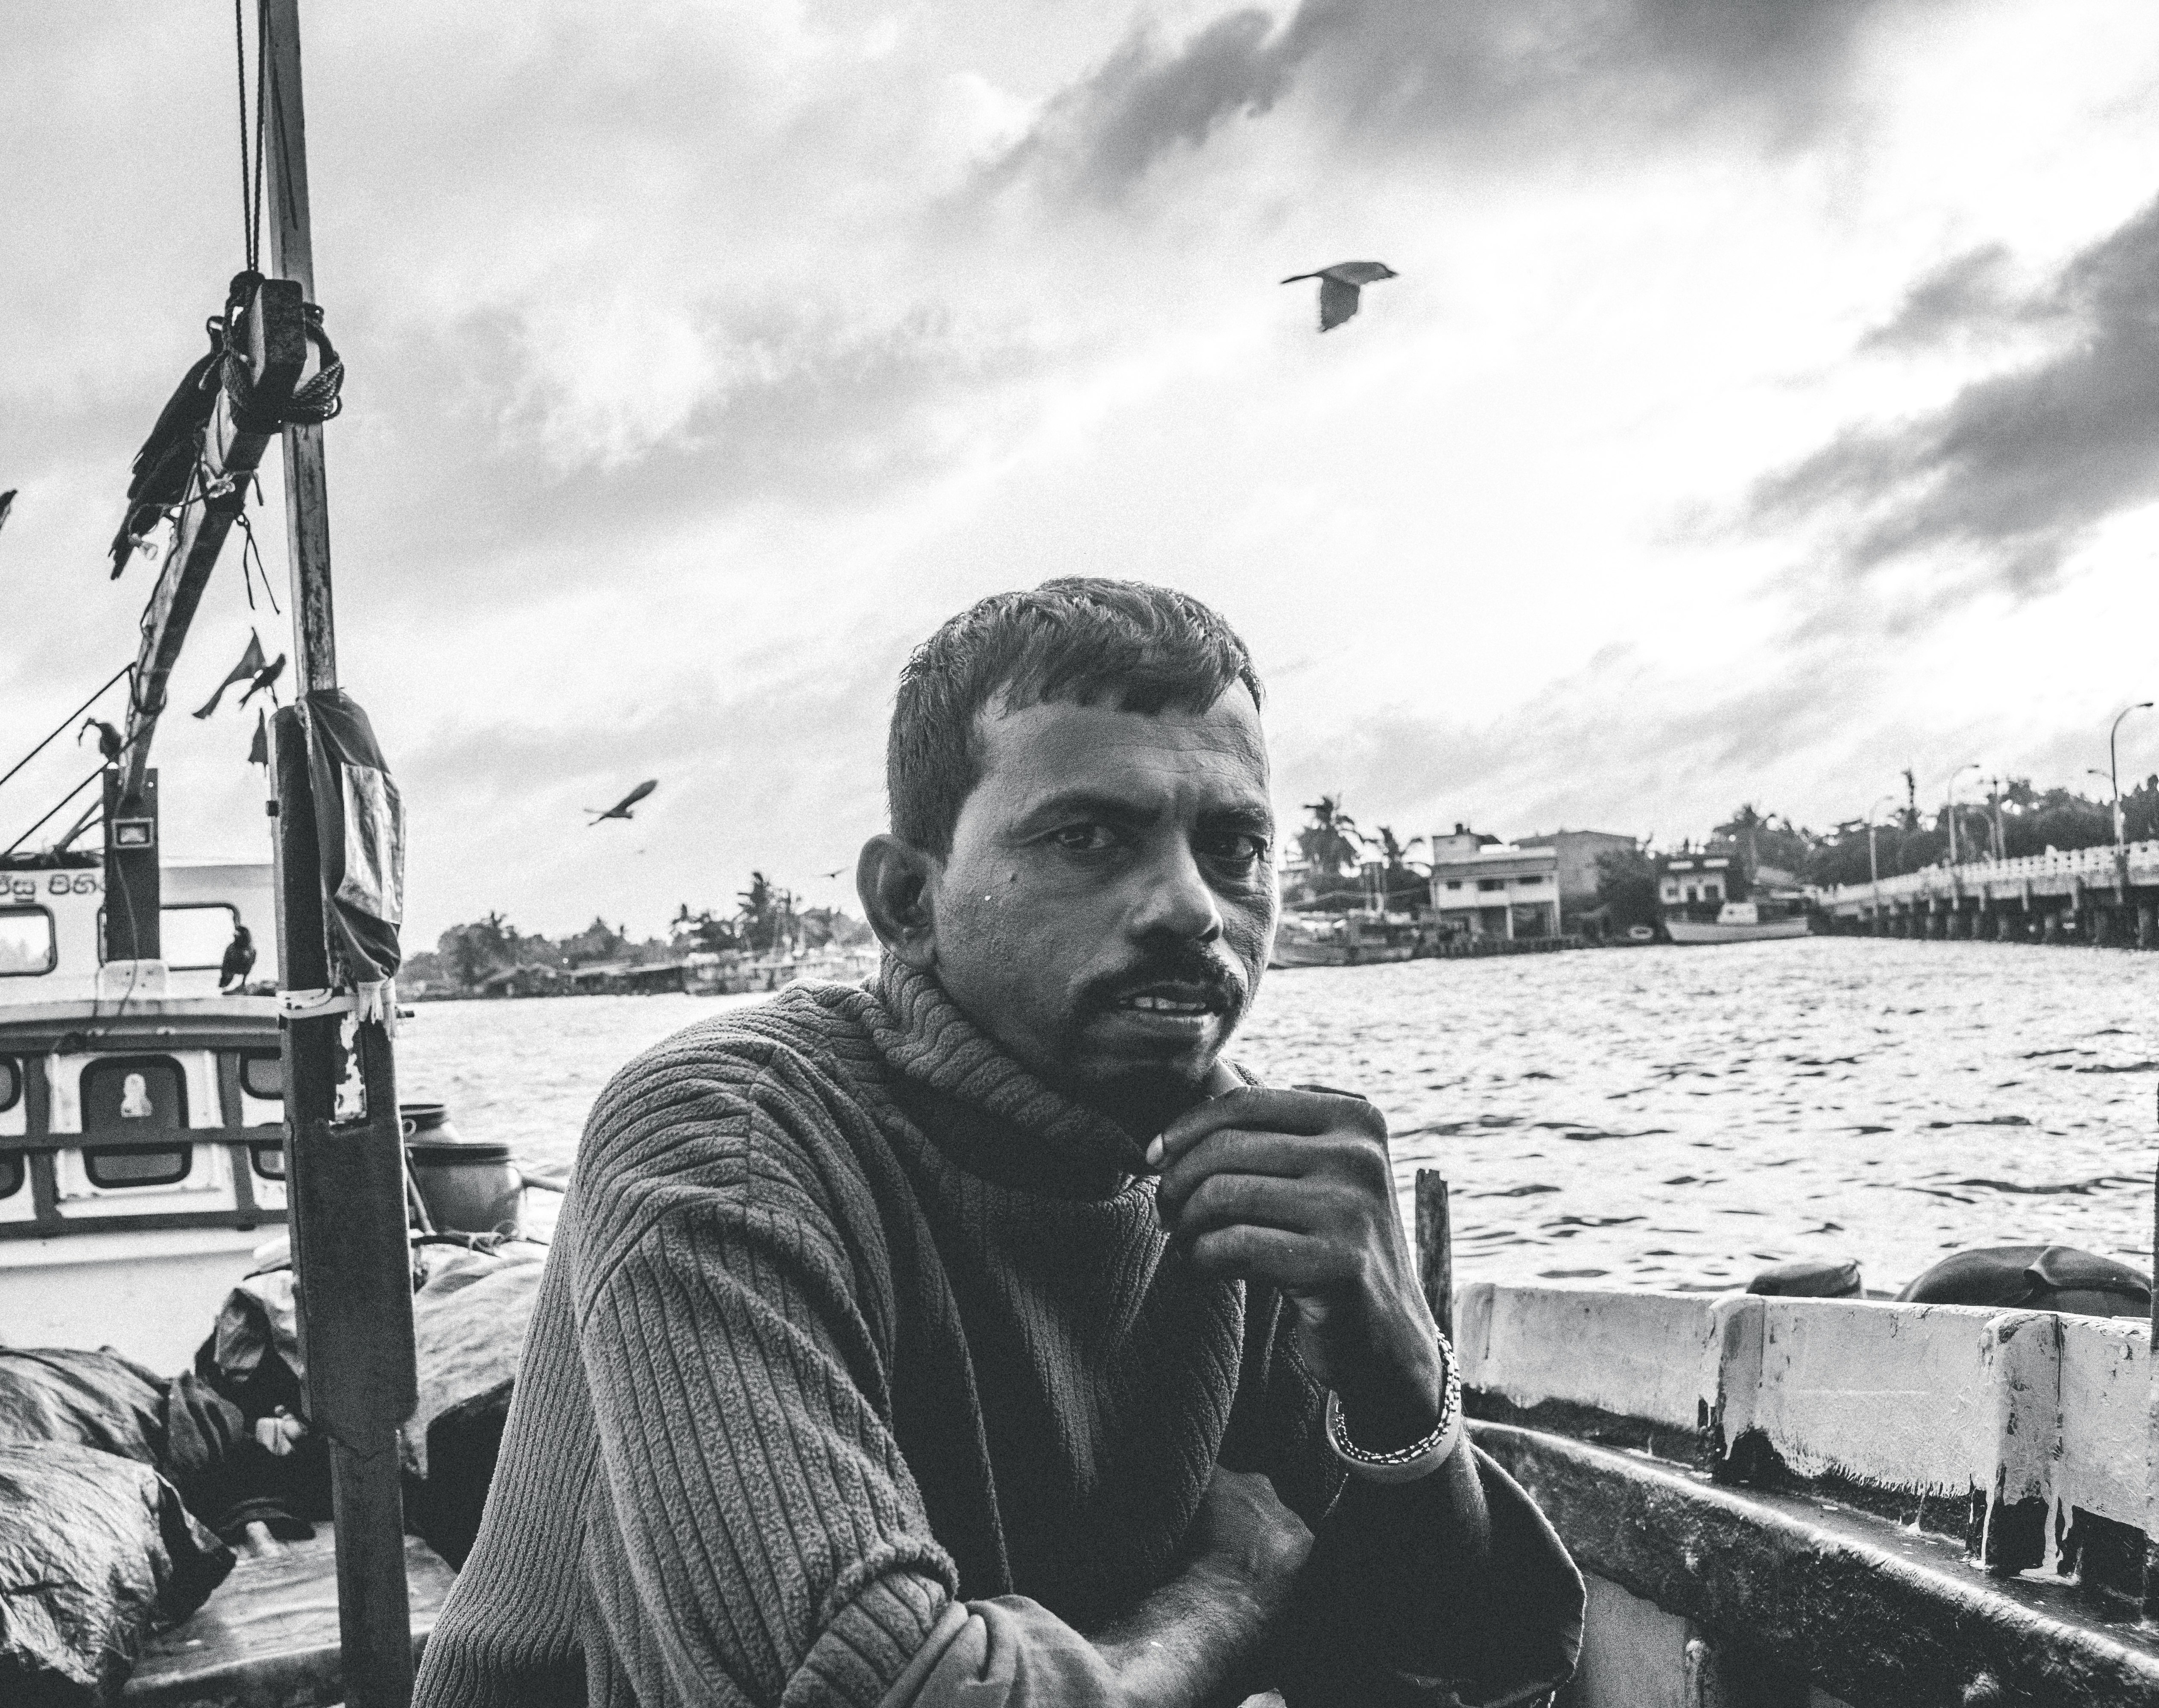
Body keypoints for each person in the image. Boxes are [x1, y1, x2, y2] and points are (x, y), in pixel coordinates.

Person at [418, 579, 1583, 1708]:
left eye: (1234, 848)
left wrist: (1398, 1375)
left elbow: (1482, 1665)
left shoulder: (1244, 1177)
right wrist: (1225, 1601)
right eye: (1087, 836)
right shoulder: (728, 1140)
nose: (1190, 907)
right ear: (907, 901)